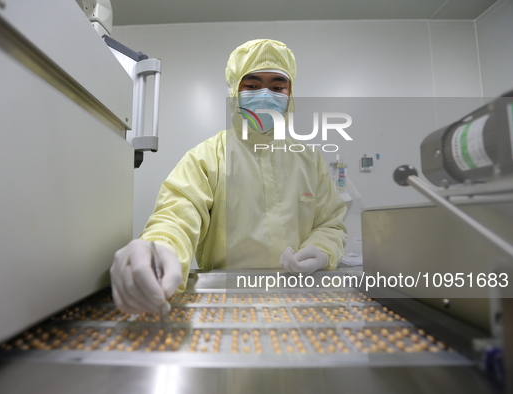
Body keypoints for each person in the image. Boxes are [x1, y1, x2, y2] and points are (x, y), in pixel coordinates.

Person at [110, 39, 347, 315]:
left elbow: (331, 223)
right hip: (226, 303)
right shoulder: (207, 157)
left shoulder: (309, 160)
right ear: (235, 91)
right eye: (253, 85)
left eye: (277, 86)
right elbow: (176, 218)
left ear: (290, 93)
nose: (266, 94)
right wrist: (160, 249)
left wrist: (321, 249)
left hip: (300, 303)